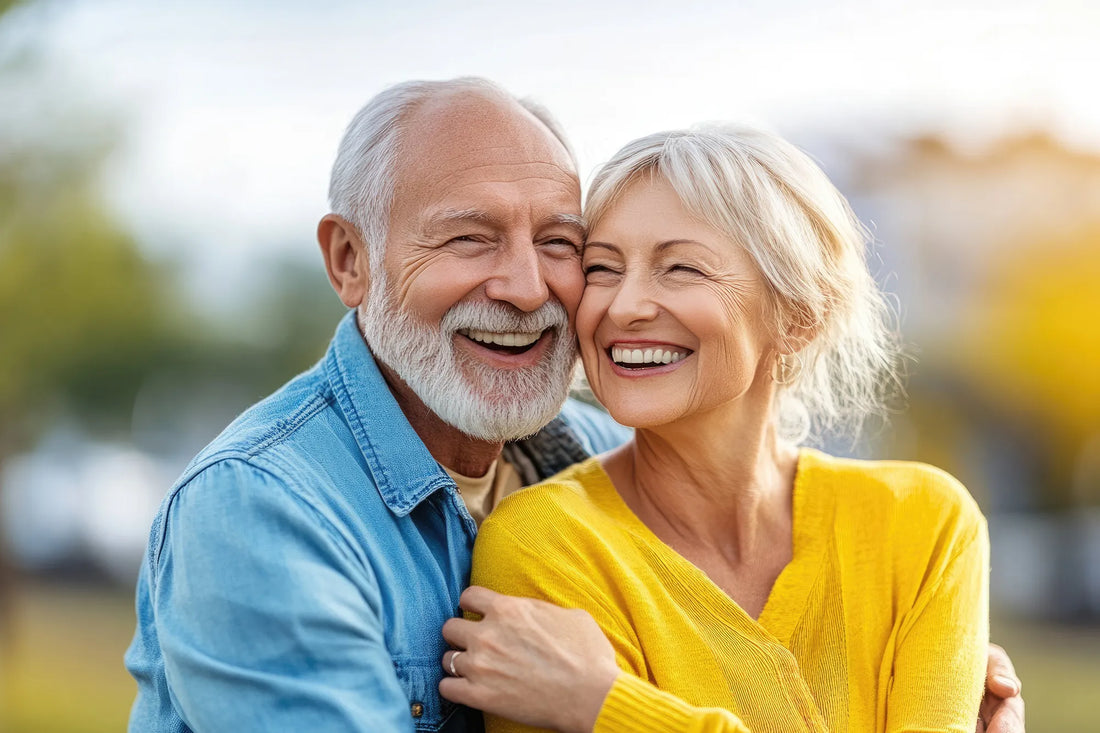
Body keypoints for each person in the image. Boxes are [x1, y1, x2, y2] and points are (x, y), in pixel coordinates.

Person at [125, 78, 1023, 732]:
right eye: (469, 238)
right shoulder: (263, 513)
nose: (526, 287)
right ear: (349, 261)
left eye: (561, 245)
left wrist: (613, 708)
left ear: (796, 312)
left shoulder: (576, 448)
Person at [446, 124, 1014, 732]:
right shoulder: (542, 545)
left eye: (681, 269)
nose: (623, 306)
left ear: (799, 316)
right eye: (604, 269)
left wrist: (608, 707)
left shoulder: (924, 522)